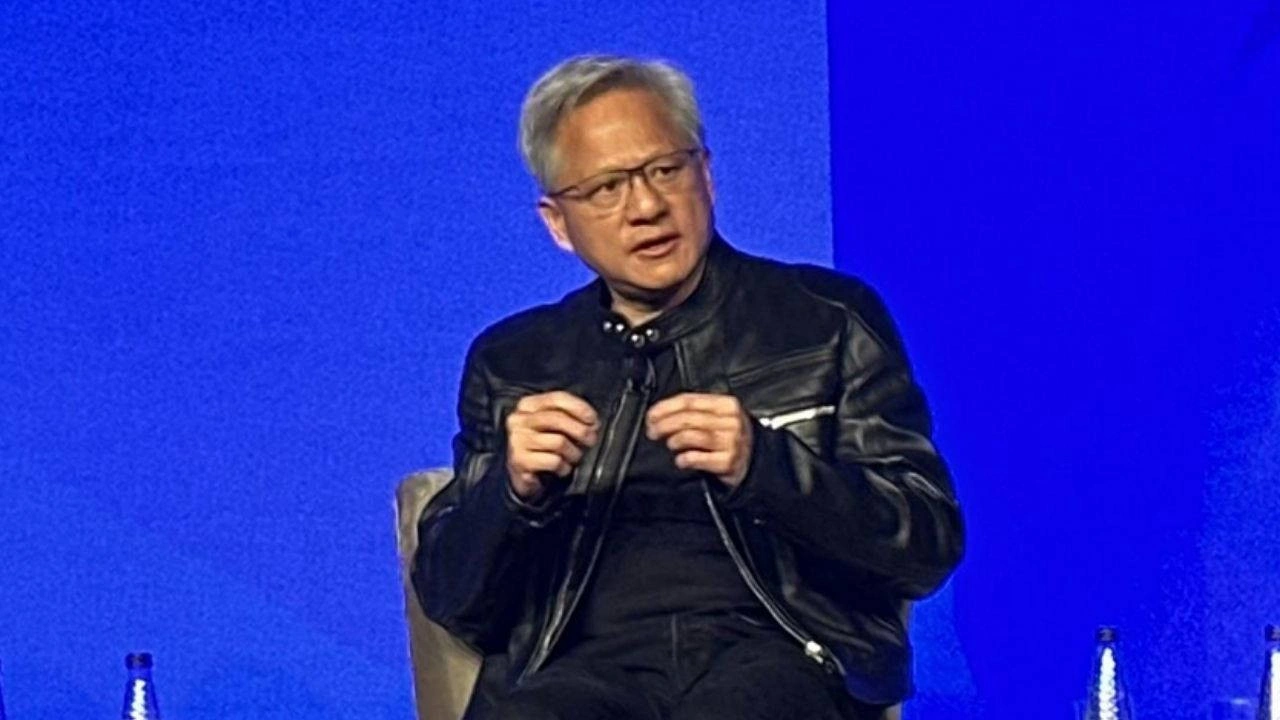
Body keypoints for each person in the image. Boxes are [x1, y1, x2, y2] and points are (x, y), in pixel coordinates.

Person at [412, 54, 964, 720]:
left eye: (665, 170)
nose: (646, 207)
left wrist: (767, 466)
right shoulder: (515, 362)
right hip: (584, 672)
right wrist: (511, 491)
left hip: (782, 656)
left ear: (707, 174)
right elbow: (452, 600)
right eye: (607, 188)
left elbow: (924, 543)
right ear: (557, 222)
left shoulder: (827, 321)